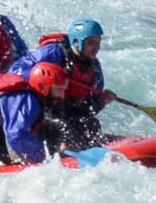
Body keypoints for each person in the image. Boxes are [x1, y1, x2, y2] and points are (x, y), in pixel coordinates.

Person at [34, 18, 115, 153]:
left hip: (70, 111)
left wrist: (102, 101)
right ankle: (59, 155)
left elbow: (90, 108)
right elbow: (26, 72)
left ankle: (88, 152)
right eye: (91, 43)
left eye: (98, 43)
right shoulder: (54, 54)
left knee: (92, 124)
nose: (96, 48)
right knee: (64, 127)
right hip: (45, 110)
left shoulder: (94, 68)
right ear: (77, 43)